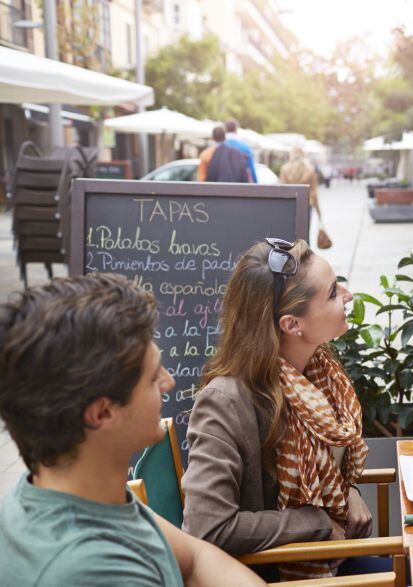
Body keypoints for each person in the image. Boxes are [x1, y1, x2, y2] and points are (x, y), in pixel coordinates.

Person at [0, 273, 264, 586]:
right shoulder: (89, 569)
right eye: (153, 378)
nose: (169, 381)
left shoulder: (84, 492)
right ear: (102, 412)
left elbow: (195, 558)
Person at [183, 238, 380, 581]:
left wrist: (349, 490)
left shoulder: (319, 372)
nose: (347, 295)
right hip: (273, 575)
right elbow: (206, 527)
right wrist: (314, 524)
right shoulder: (225, 402)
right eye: (333, 293)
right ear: (292, 325)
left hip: (332, 557)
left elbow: (322, 475)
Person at [279, 146, 323, 228]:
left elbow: (282, 191)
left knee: (288, 231)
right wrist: (319, 212)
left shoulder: (284, 169)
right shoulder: (310, 170)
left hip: (289, 204)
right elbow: (314, 193)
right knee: (304, 232)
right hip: (306, 204)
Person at [225, 119, 258, 184]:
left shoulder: (218, 147)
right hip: (240, 185)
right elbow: (251, 169)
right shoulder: (245, 147)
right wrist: (255, 183)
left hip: (221, 185)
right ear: (236, 129)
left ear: (226, 129)